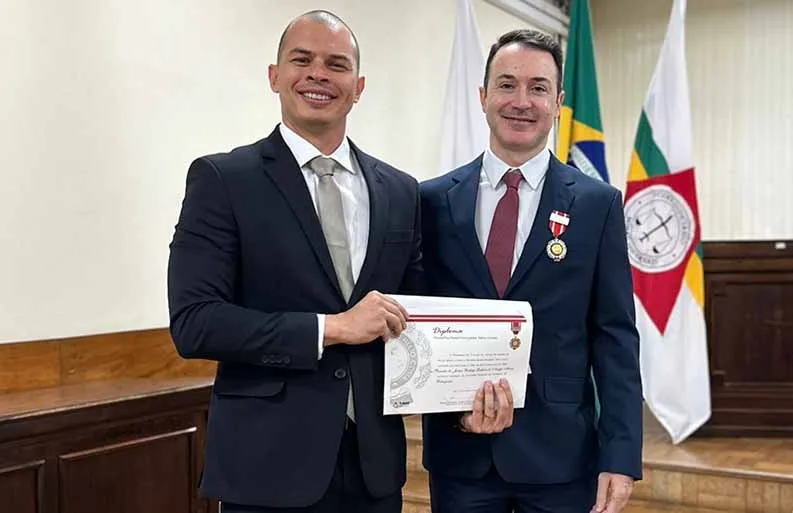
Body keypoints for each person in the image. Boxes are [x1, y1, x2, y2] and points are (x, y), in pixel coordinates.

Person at [167, 10, 423, 513]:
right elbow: (195, 324)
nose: (318, 75)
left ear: (358, 85)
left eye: (336, 64)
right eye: (301, 60)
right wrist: (330, 329)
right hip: (267, 466)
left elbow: (417, 313)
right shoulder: (223, 180)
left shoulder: (401, 191)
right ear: (274, 75)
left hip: (374, 467)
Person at [420, 29, 642, 513]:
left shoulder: (597, 205)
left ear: (557, 102)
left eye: (538, 88)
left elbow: (615, 337)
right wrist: (457, 409)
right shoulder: (431, 201)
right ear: (482, 96)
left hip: (562, 455)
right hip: (461, 455)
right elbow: (421, 324)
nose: (521, 101)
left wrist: (621, 455)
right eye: (506, 85)